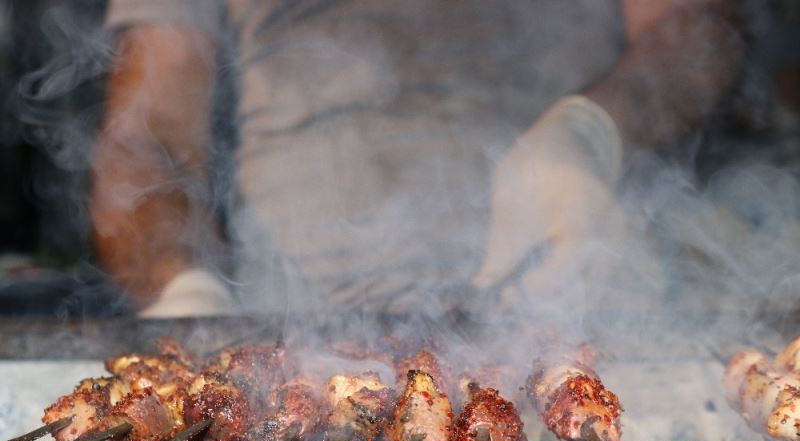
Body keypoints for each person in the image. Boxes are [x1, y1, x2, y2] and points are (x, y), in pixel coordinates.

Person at [90, 0, 741, 319]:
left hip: (574, 303)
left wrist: (590, 131)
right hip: (299, 323)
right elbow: (148, 137)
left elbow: (696, 30)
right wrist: (185, 289)